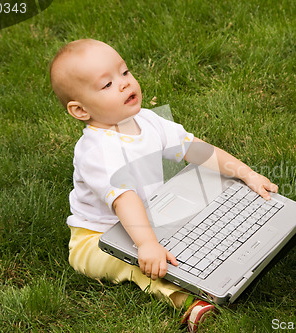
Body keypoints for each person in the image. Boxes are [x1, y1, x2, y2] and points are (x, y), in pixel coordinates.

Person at [50, 39, 278, 332]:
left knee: (195, 224)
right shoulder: (98, 151)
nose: (124, 84)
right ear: (80, 110)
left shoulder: (147, 120)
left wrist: (245, 173)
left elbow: (194, 148)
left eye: (125, 72)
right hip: (98, 238)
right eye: (106, 85)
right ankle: (187, 300)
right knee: (143, 265)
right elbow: (125, 198)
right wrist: (147, 245)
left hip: (147, 218)